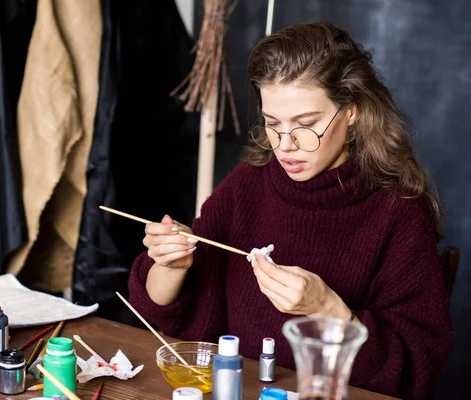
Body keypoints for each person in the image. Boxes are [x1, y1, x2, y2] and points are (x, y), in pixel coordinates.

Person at [127, 22, 454, 399]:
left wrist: (326, 308)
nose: (286, 145)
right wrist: (170, 266)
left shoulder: (397, 211)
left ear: (352, 111)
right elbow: (157, 314)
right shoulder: (249, 181)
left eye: (306, 124)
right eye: (272, 124)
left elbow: (417, 367)